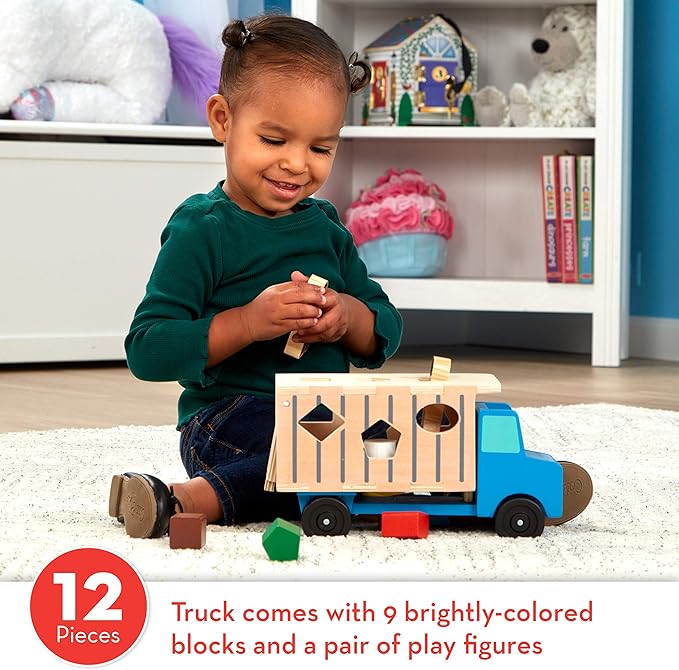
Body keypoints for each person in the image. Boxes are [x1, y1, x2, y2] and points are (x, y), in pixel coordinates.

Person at [109, 15, 403, 539]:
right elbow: (147, 349)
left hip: (323, 417)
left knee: (395, 442)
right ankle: (183, 498)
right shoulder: (204, 229)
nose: (296, 164)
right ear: (223, 119)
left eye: (320, 148)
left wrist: (345, 317)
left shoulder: (327, 228)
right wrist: (247, 322)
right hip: (229, 419)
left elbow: (385, 329)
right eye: (273, 139)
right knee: (320, 457)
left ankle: (497, 478)